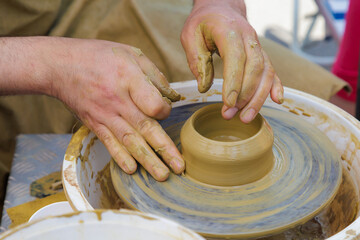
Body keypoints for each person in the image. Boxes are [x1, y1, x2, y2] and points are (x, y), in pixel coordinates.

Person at [0, 0, 284, 182]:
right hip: (17, 63)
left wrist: (220, 6)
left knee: (300, 86)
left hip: (101, 8)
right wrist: (56, 66)